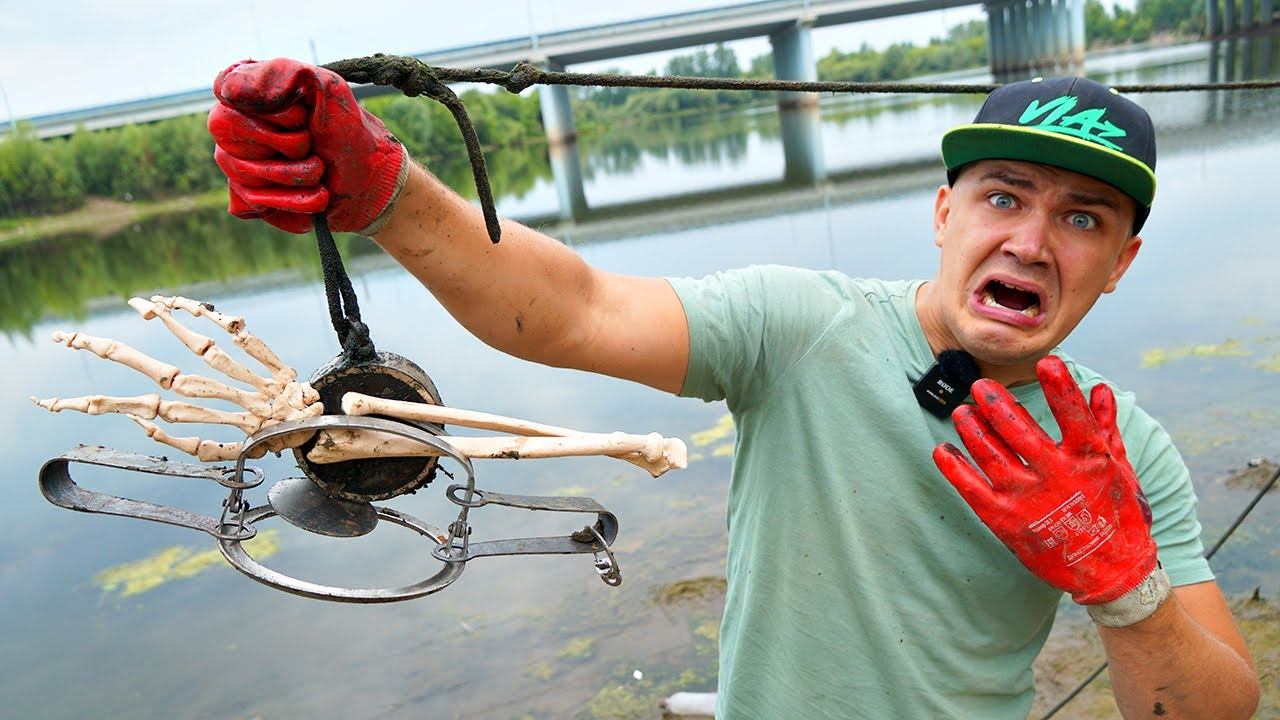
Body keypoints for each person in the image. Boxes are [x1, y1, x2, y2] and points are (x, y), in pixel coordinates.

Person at [208, 60, 1261, 718]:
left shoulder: (1125, 452)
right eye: (1003, 196)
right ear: (945, 213)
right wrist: (390, 194)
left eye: (1082, 218)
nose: (1030, 242)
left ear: (1120, 261)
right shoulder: (803, 325)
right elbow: (573, 309)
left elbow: (1210, 704)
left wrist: (1117, 581)